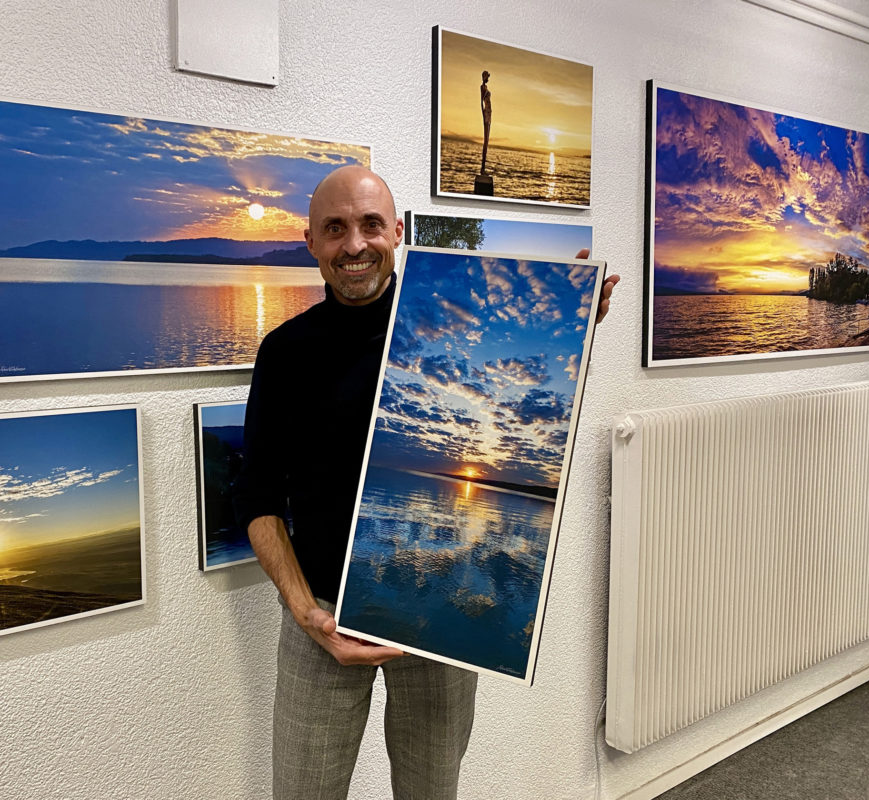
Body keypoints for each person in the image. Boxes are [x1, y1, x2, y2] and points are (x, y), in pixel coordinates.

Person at [233, 164, 618, 799]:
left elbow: (516, 391)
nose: (354, 245)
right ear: (311, 243)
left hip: (431, 616)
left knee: (431, 791)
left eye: (370, 225)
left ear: (400, 232)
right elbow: (257, 495)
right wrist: (303, 609)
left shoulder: (457, 334)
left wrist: (572, 320)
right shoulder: (285, 352)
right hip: (320, 615)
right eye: (335, 229)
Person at [480, 69, 492, 174]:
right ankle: (482, 168)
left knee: (487, 141)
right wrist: (483, 114)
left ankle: (483, 167)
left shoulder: (486, 88)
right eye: (487, 77)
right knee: (485, 141)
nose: (488, 79)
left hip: (489, 113)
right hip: (486, 114)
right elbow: (481, 102)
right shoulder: (482, 88)